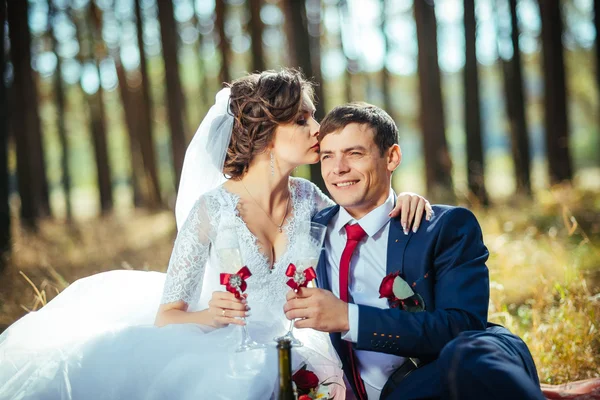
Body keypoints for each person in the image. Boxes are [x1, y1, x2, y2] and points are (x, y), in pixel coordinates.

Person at [0, 69, 431, 400]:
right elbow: (168, 315)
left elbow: (365, 217)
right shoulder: (211, 210)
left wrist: (404, 198)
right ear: (265, 134)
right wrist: (211, 315)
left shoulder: (313, 199)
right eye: (302, 119)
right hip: (228, 353)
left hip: (301, 350)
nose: (318, 128)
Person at [284, 102, 546, 400]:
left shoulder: (442, 228)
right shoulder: (306, 230)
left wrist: (349, 318)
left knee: (477, 345)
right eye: (328, 156)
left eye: (354, 153)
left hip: (433, 381)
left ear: (392, 157)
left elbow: (462, 326)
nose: (338, 168)